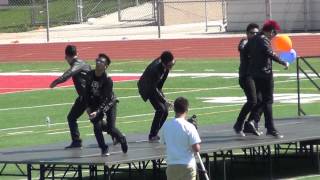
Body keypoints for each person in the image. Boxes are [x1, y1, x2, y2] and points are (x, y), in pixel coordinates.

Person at [245, 20, 289, 138]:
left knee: (260, 101)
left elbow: (247, 53)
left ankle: (251, 122)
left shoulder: (253, 39)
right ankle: (270, 128)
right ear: (271, 31)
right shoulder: (263, 39)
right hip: (265, 74)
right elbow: (269, 53)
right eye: (274, 33)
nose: (274, 36)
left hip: (254, 74)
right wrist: (283, 62)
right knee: (268, 101)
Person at [85, 53, 128, 156]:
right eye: (97, 60)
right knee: (97, 126)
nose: (98, 63)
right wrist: (88, 107)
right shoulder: (89, 75)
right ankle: (104, 148)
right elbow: (86, 92)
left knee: (111, 127)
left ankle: (121, 138)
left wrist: (98, 111)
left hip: (109, 102)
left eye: (101, 61)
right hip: (96, 102)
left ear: (106, 66)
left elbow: (106, 99)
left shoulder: (108, 80)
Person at [50, 45, 91, 149]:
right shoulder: (81, 63)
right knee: (71, 117)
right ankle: (76, 141)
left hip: (89, 97)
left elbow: (69, 73)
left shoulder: (78, 64)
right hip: (83, 97)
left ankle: (116, 134)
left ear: (66, 57)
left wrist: (56, 81)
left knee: (95, 119)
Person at [137, 51, 175, 142]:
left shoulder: (166, 65)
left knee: (165, 110)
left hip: (155, 86)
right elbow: (153, 88)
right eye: (169, 65)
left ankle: (154, 133)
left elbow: (159, 85)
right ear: (163, 63)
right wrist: (164, 100)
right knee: (161, 109)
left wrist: (163, 98)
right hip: (147, 87)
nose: (171, 67)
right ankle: (152, 135)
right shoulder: (155, 70)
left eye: (172, 64)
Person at [160, 97, 201, 180]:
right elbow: (196, 148)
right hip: (187, 164)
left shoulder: (166, 125)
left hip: (172, 165)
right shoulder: (189, 127)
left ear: (174, 109)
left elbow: (164, 142)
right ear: (187, 110)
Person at [233, 23, 261, 137]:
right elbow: (241, 48)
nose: (254, 35)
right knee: (252, 101)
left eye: (256, 33)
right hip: (246, 76)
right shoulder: (245, 42)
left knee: (263, 100)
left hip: (256, 77)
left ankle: (251, 123)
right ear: (247, 34)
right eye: (252, 33)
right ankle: (238, 125)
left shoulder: (260, 44)